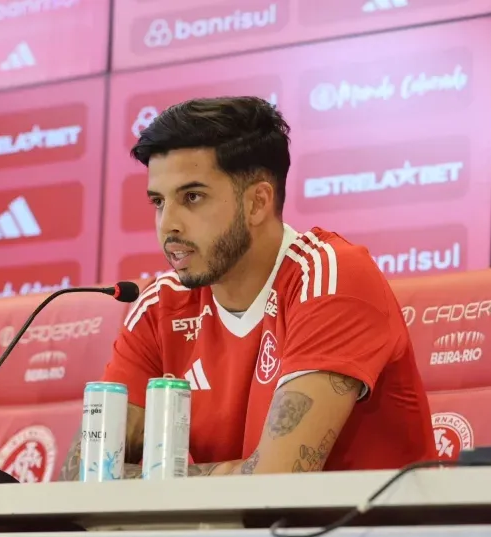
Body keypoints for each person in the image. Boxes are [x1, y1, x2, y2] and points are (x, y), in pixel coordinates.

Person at [60, 96, 435, 480]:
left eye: (192, 197)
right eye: (159, 201)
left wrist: (152, 480)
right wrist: (219, 475)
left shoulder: (330, 276)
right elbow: (81, 474)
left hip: (369, 535)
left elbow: (276, 483)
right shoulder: (160, 306)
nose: (167, 224)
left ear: (257, 202)